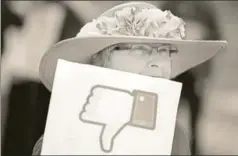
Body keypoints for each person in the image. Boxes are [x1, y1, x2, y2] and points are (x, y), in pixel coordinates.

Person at [32, 2, 226, 155]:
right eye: (141, 50)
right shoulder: (60, 136)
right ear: (101, 63)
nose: (158, 62)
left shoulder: (175, 138)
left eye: (166, 52)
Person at [161, 1, 221, 155]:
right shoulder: (170, 5)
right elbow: (156, 32)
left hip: (196, 74)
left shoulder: (204, 10)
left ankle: (193, 150)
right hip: (173, 73)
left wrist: (203, 35)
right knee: (166, 116)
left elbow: (217, 39)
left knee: (194, 119)